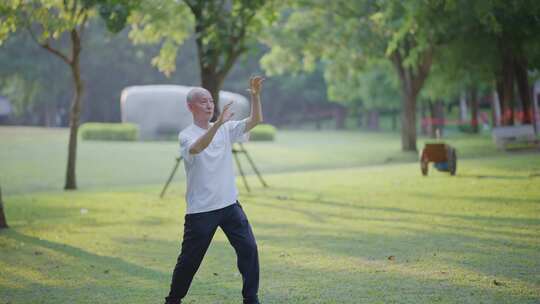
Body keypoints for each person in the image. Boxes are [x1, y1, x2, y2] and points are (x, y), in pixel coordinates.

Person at [164, 76, 265, 304]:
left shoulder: (226, 129)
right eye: (203, 101)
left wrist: (255, 96)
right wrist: (218, 124)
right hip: (201, 211)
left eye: (210, 100)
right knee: (189, 261)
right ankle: (173, 300)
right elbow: (198, 148)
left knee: (249, 249)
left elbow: (256, 120)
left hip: (229, 205)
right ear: (191, 107)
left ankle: (251, 298)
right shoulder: (186, 135)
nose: (209, 104)